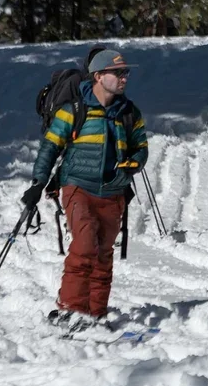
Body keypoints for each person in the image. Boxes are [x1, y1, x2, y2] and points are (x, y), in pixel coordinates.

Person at [23, 49, 148, 326]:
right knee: (84, 243)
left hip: (114, 192)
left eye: (125, 72)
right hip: (78, 187)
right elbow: (50, 147)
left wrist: (133, 165)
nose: (124, 78)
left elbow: (141, 148)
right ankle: (70, 309)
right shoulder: (74, 111)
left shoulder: (129, 113)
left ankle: (96, 312)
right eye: (118, 73)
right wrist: (38, 183)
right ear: (99, 76)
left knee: (104, 252)